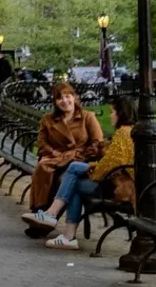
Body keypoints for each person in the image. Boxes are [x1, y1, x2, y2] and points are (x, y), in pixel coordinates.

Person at [24, 94, 137, 249]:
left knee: (74, 175)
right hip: (117, 181)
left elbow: (111, 164)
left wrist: (92, 169)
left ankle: (56, 222)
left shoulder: (123, 133)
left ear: (121, 113)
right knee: (74, 174)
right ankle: (64, 232)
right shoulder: (130, 131)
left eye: (112, 112)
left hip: (117, 187)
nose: (110, 116)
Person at [26, 79, 105, 218]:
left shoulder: (87, 117)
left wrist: (79, 155)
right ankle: (39, 211)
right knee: (43, 169)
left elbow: (97, 142)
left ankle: (49, 216)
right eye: (60, 98)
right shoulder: (48, 120)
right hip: (54, 158)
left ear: (74, 98)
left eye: (67, 96)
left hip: (79, 160)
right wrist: (56, 153)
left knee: (62, 179)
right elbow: (42, 143)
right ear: (55, 102)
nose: (64, 101)